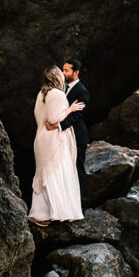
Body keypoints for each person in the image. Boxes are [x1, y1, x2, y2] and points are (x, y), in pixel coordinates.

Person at [28, 65, 86, 225]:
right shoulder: (57, 94)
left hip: (40, 138)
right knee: (56, 174)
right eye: (61, 73)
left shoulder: (42, 93)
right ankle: (53, 214)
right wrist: (70, 109)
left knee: (44, 175)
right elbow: (54, 119)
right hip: (53, 139)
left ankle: (40, 214)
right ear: (57, 77)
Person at [46, 58, 90, 209]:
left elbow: (76, 116)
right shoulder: (60, 88)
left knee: (78, 169)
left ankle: (81, 204)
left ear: (76, 72)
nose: (63, 73)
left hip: (78, 136)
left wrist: (57, 125)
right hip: (63, 136)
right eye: (62, 70)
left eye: (66, 70)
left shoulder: (82, 91)